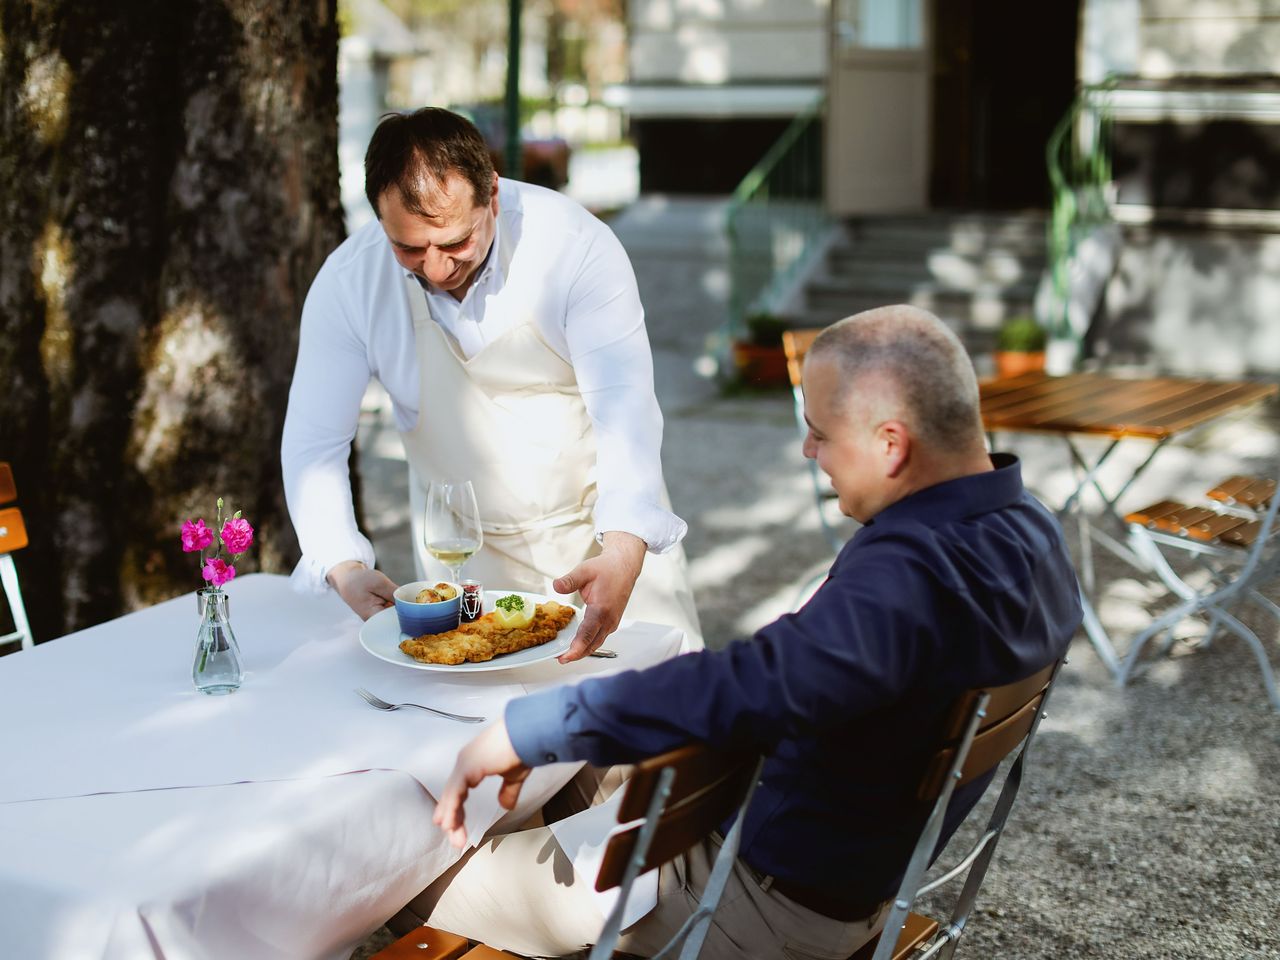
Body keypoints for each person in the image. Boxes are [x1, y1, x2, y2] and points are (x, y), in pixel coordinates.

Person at [412, 305, 1084, 959]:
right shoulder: (1033, 531)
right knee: (573, 772)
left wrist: (530, 726)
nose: (808, 448)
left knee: (406, 874)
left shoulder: (906, 578)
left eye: (820, 431)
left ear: (891, 445)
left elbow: (755, 683)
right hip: (853, 874)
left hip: (749, 908)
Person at [281, 108, 700, 659]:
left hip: (600, 536)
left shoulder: (574, 246)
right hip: (463, 561)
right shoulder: (349, 282)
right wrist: (343, 564)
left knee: (651, 716)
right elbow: (315, 442)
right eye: (409, 248)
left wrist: (623, 550)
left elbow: (625, 412)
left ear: (493, 197)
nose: (434, 268)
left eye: (454, 242)